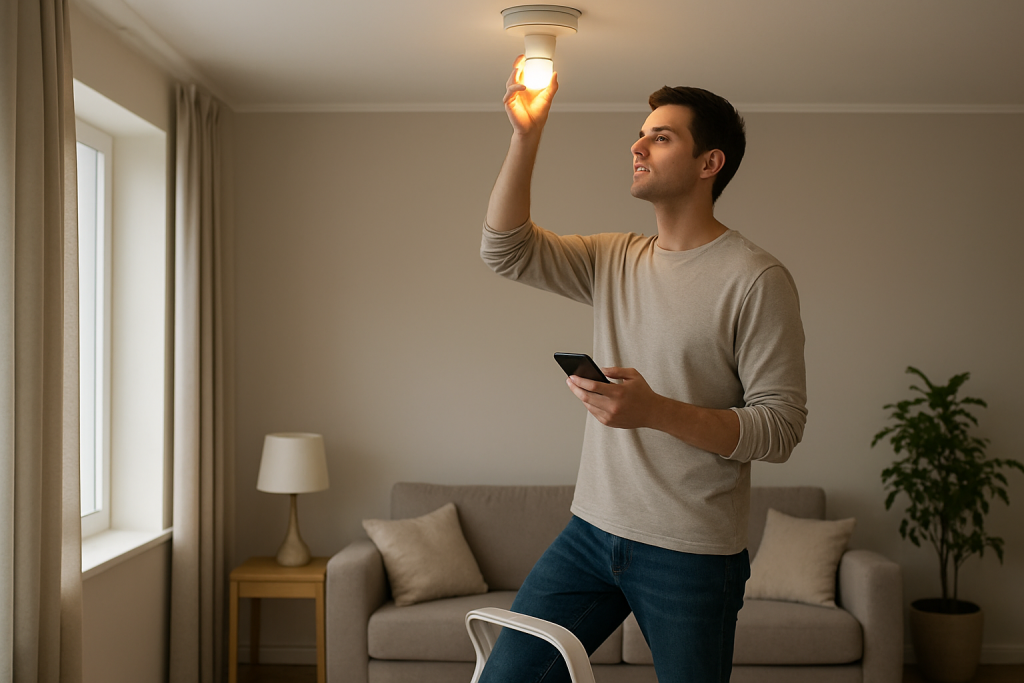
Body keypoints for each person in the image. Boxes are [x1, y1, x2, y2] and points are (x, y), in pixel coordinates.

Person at [478, 55, 807, 683]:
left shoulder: (756, 278)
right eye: (641, 132)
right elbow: (504, 249)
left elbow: (780, 428)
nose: (638, 145)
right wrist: (527, 136)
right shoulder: (614, 259)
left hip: (692, 553)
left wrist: (654, 411)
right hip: (590, 533)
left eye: (661, 136)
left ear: (710, 163)